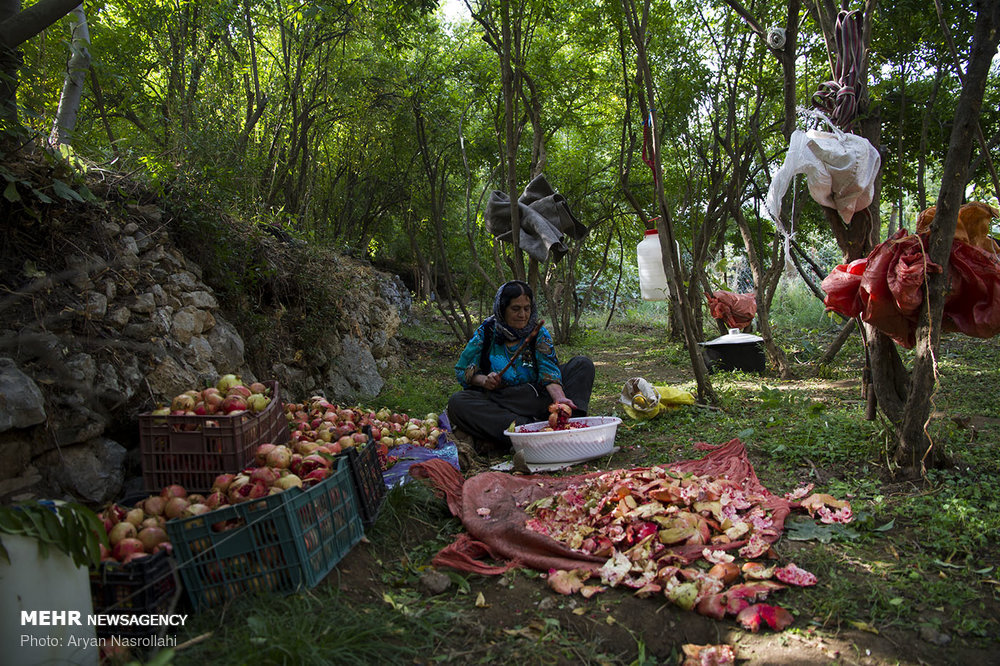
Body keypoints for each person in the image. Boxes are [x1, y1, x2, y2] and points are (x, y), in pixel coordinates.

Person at [447, 280, 595, 455]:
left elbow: (549, 370)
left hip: (538, 395)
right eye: (515, 309)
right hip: (503, 400)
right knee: (458, 402)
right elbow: (462, 369)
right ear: (502, 309)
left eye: (527, 308)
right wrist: (484, 380)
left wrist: (560, 399)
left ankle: (567, 425)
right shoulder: (486, 332)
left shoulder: (538, 332)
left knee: (582, 365)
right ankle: (528, 428)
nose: (523, 315)